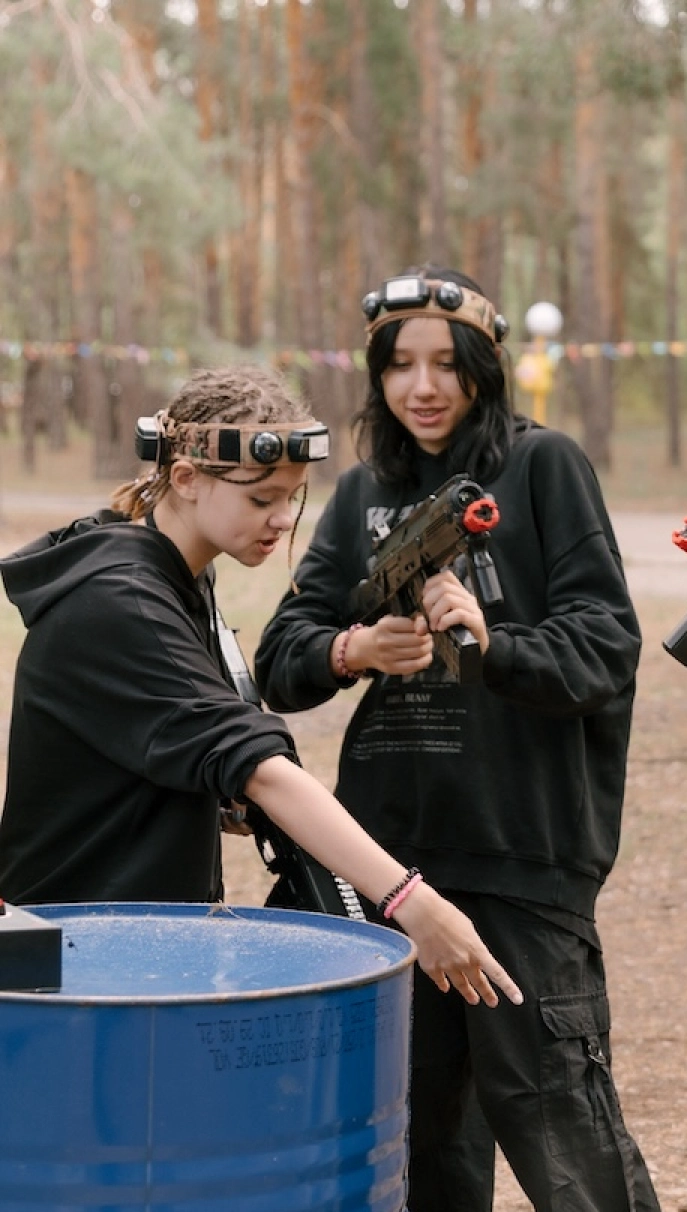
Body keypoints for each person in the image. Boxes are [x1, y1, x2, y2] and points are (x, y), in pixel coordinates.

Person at [253, 268, 684, 1212]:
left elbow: (603, 649)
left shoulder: (543, 470)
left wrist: (494, 640)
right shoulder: (363, 494)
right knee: (424, 1153)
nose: (423, 386)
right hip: (395, 871)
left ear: (485, 370)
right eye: (399, 366)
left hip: (522, 859)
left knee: (562, 1137)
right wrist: (355, 651)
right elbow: (283, 655)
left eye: (447, 364)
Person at [0, 365, 518, 1008]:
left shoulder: (175, 572)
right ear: (185, 479)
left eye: (292, 497)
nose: (280, 519)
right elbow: (261, 767)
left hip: (123, 948)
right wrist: (414, 903)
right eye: (259, 498)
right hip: (78, 964)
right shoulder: (124, 600)